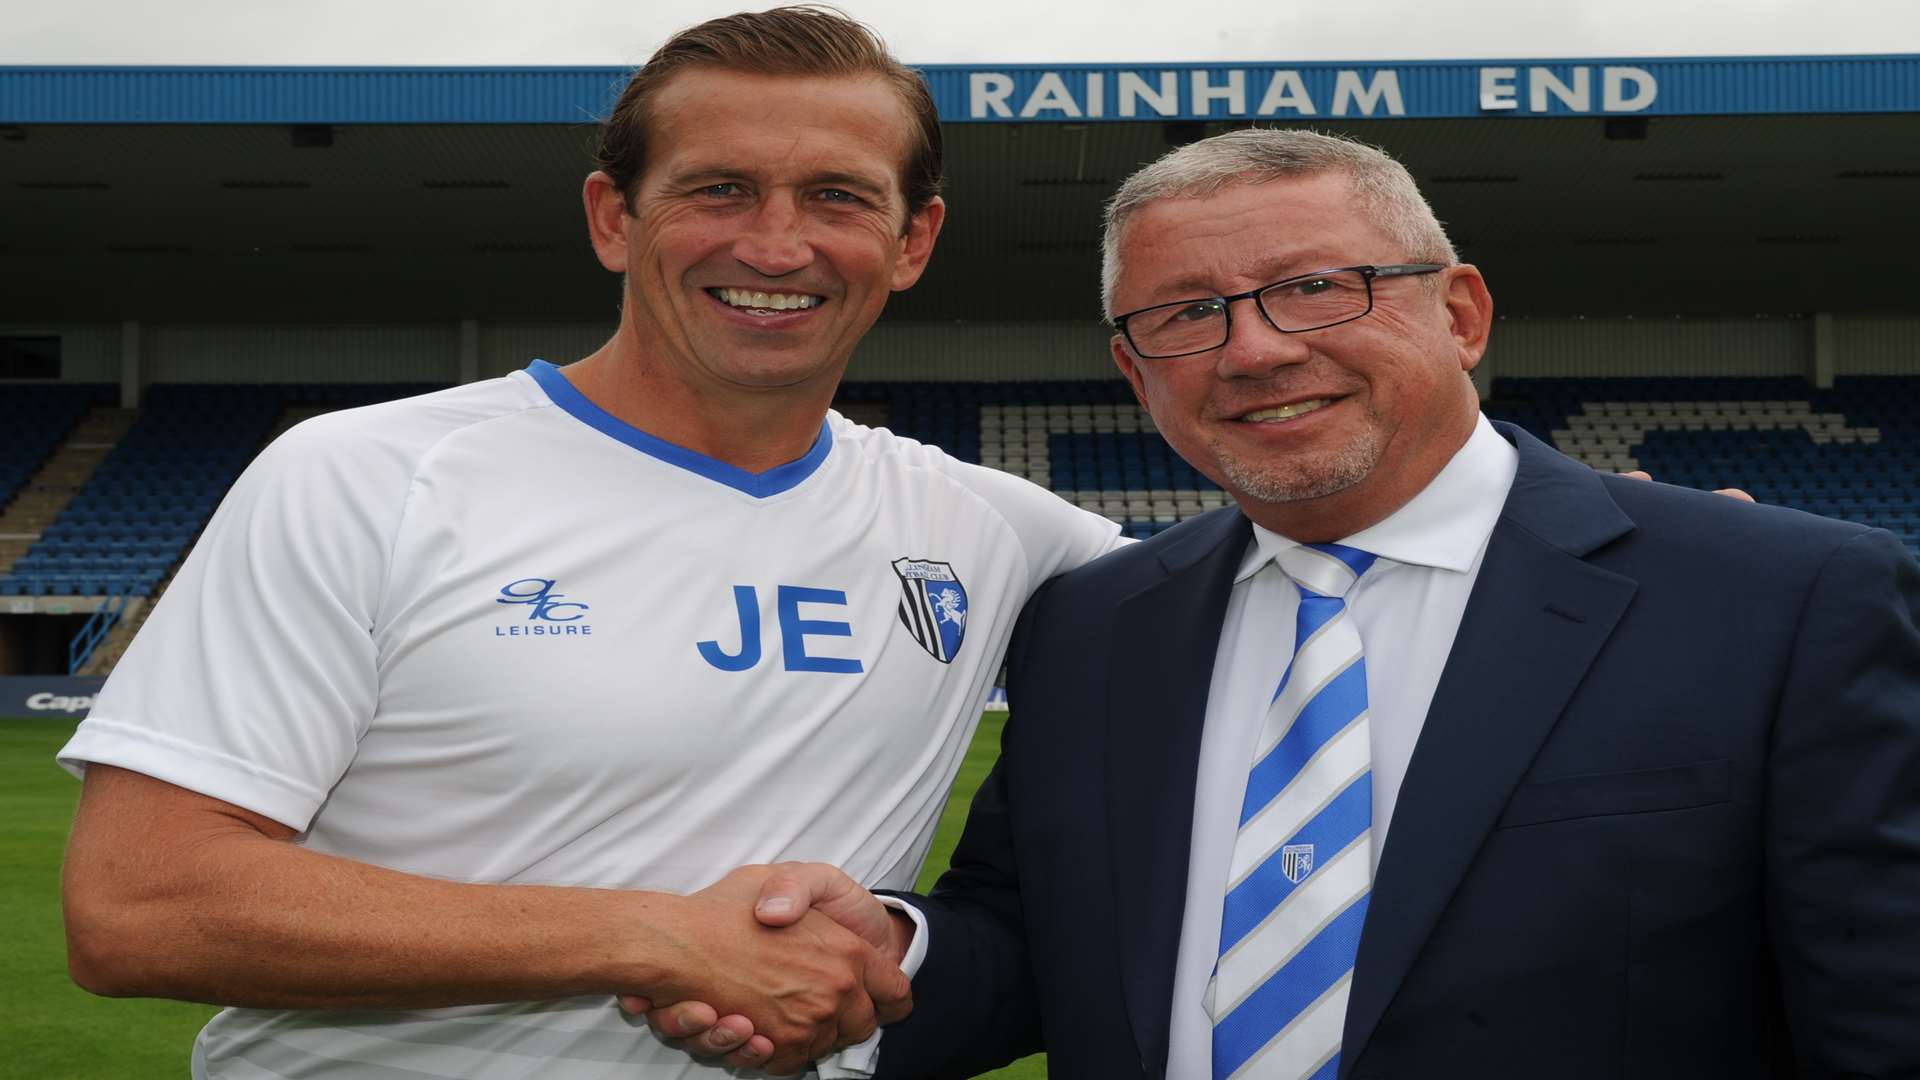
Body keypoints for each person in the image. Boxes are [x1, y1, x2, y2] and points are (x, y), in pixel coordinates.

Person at [705, 129, 1920, 1078]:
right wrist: (892, 958)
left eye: (1318, 287)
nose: (1254, 350)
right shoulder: (1093, 626)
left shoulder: (1784, 599)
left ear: (1461, 315)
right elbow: (1039, 944)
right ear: (1135, 372)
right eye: (1185, 314)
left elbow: (1880, 1018)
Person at [54, 8, 1125, 1078]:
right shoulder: (366, 476)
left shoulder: (999, 530)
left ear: (912, 242)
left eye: (837, 197)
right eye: (720, 189)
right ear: (612, 217)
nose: (775, 244)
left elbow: (1271, 595)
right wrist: (651, 938)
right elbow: (140, 905)